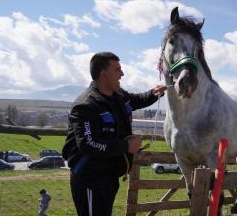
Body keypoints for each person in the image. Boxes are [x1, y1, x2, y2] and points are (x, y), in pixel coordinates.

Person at [62, 52, 166, 216]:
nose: (122, 74)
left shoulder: (118, 95)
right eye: (118, 69)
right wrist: (126, 146)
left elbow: (136, 100)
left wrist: (154, 93)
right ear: (104, 73)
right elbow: (88, 144)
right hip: (90, 180)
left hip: (108, 178)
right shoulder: (85, 105)